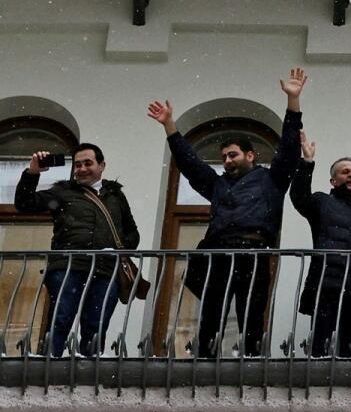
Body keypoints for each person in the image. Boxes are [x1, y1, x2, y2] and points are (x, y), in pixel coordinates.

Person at [146, 68, 306, 358]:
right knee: (212, 310)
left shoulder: (273, 179)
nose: (227, 161)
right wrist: (170, 126)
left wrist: (293, 103)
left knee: (252, 311)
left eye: (233, 155)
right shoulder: (218, 184)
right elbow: (190, 164)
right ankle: (205, 356)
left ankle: (252, 357)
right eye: (223, 157)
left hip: (255, 251)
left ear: (251, 155)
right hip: (218, 252)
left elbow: (290, 148)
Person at [15, 144, 140, 357]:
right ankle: (48, 365)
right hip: (68, 266)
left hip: (106, 270)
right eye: (78, 164)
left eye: (87, 163)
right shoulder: (63, 191)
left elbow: (132, 233)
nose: (81, 169)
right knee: (61, 319)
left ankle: (89, 373)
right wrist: (32, 172)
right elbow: (24, 203)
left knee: (96, 325)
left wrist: (118, 250)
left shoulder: (115, 195)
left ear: (102, 165)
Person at [289, 134, 351, 358]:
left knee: (350, 349)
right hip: (327, 285)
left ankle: (345, 390)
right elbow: (298, 196)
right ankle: (316, 388)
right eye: (345, 172)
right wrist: (306, 163)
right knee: (321, 345)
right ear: (333, 181)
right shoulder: (322, 203)